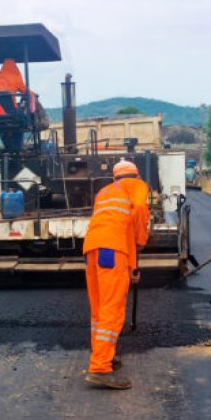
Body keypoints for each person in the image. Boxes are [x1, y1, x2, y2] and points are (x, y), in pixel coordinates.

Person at [82, 160, 150, 389]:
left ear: (114, 177)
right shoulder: (137, 186)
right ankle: (100, 368)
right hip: (112, 250)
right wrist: (142, 239)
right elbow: (139, 210)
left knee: (99, 308)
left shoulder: (104, 192)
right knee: (112, 308)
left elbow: (120, 226)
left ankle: (104, 355)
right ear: (136, 175)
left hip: (92, 249)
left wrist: (132, 267)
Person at [0, 58, 50, 131]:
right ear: (15, 67)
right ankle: (19, 139)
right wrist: (35, 94)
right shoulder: (15, 77)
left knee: (5, 121)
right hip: (10, 112)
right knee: (22, 119)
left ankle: (7, 138)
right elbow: (24, 90)